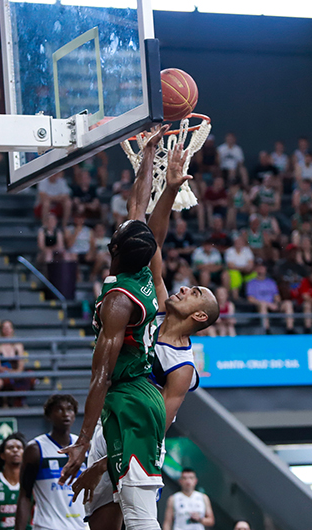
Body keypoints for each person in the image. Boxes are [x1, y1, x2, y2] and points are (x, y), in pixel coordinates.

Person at [66, 146, 219, 530]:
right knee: (98, 518)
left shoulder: (182, 368)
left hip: (137, 418)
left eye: (196, 291)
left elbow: (155, 430)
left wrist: (100, 462)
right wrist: (163, 181)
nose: (186, 289)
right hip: (113, 409)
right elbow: (150, 230)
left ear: (199, 316)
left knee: (136, 516)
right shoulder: (156, 295)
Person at [53, 125, 170, 530]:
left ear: (115, 249)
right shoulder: (141, 271)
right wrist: (149, 158)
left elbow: (101, 375)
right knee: (104, 512)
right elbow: (138, 209)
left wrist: (82, 442)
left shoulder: (120, 301)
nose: (119, 224)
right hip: (133, 394)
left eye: (117, 231)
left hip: (130, 397)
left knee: (138, 516)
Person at [15, 395, 85, 530]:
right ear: (48, 415)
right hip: (48, 526)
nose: (65, 414)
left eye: (70, 409)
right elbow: (24, 495)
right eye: (59, 410)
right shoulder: (35, 449)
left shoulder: (84, 447)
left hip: (82, 526)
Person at [246, 261, 294, 334]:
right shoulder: (251, 283)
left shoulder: (271, 282)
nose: (261, 269)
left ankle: (290, 329)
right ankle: (266, 330)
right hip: (260, 306)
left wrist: (276, 303)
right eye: (259, 267)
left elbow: (276, 295)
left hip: (273, 305)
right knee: (263, 305)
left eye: (262, 267)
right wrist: (267, 304)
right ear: (256, 269)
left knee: (288, 303)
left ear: (265, 269)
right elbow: (250, 299)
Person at [0, 320, 29, 407]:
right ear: (1, 330)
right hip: (3, 371)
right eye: (4, 328)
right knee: (6, 379)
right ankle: (5, 402)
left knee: (28, 376)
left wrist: (17, 372)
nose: (7, 330)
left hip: (16, 371)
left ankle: (19, 401)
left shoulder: (18, 345)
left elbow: (21, 363)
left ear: (12, 329)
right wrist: (9, 372)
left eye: (9, 327)